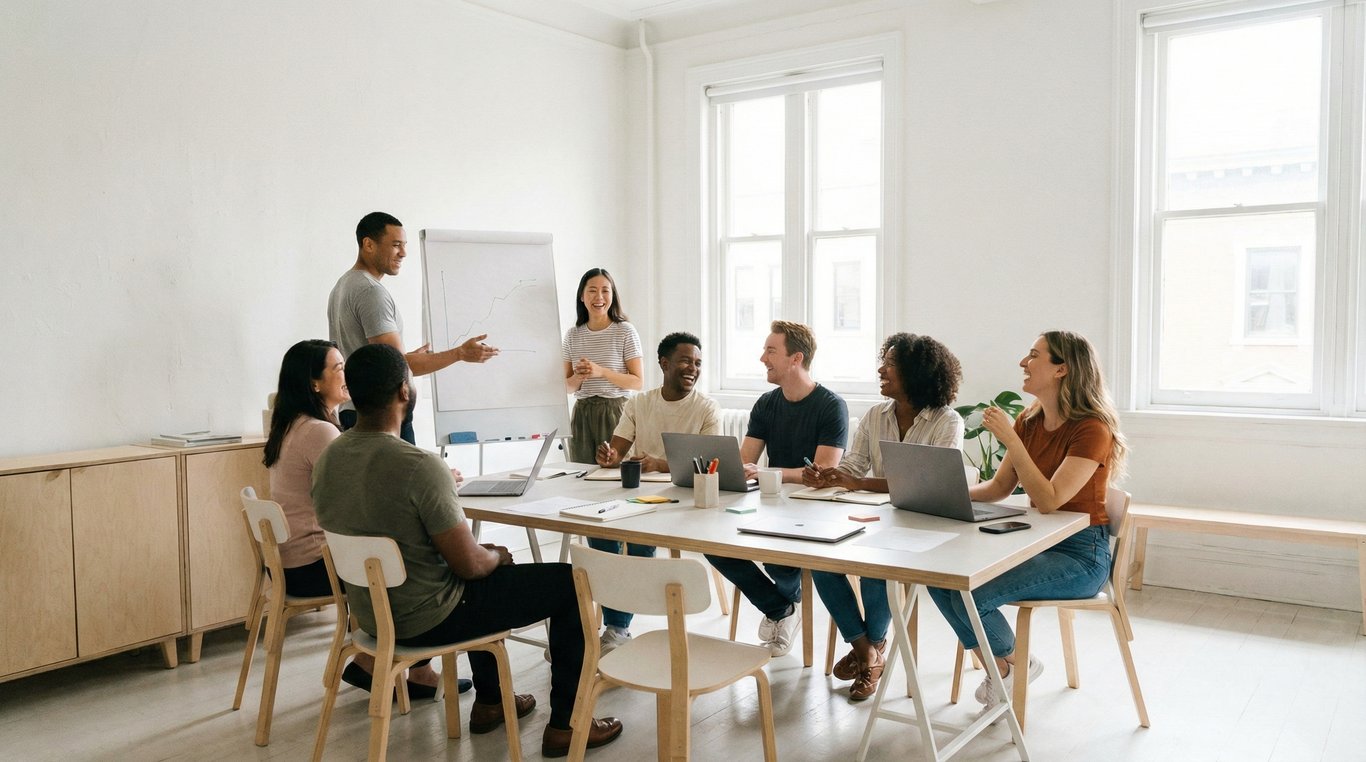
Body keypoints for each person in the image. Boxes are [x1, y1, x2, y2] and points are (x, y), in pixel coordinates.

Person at [312, 344, 623, 757]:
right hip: (430, 616)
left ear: (353, 392)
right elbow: (471, 566)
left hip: (372, 616)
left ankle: (492, 703)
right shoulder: (419, 465)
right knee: (569, 583)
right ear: (404, 391)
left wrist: (481, 556)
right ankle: (568, 725)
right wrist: (495, 555)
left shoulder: (329, 457)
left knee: (479, 576)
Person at [927, 331, 1126, 712]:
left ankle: (1013, 666)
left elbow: (1050, 501)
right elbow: (1000, 487)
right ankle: (1006, 668)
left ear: (1062, 370)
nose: (1023, 362)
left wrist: (1010, 441)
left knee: (976, 595)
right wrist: (940, 493)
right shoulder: (1030, 420)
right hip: (1037, 542)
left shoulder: (1092, 429)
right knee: (941, 581)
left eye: (1034, 355)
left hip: (1082, 556)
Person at [263, 339, 470, 698]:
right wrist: (431, 477)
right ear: (314, 383)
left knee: (400, 550)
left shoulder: (294, 425)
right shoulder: (320, 432)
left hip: (291, 561)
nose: (347, 375)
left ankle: (384, 665)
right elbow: (368, 485)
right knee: (415, 559)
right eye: (338, 367)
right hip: (317, 564)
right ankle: (378, 664)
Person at [803, 333, 965, 701]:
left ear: (915, 372)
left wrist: (857, 481)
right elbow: (853, 465)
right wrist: (826, 475)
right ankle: (868, 652)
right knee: (819, 559)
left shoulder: (947, 421)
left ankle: (867, 650)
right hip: (875, 519)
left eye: (890, 364)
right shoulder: (876, 415)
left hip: (925, 527)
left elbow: (931, 484)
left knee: (877, 564)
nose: (881, 369)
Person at [705, 321, 848, 656]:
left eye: (771, 351)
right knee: (712, 542)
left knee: (780, 551)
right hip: (770, 501)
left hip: (815, 508)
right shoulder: (766, 404)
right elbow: (745, 463)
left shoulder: (831, 406)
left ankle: (784, 606)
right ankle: (781, 608)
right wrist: (744, 472)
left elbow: (822, 472)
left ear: (795, 358)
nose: (762, 358)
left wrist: (769, 473)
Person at [590, 332, 720, 653]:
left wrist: (658, 464)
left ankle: (617, 628)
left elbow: (710, 465)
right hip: (639, 496)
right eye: (686, 360)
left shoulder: (707, 408)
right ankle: (614, 621)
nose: (693, 368)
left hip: (684, 498)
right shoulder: (639, 402)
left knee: (638, 535)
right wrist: (610, 456)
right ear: (664, 363)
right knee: (598, 529)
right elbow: (617, 451)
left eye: (698, 363)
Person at [328, 211, 499, 445]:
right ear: (368, 244)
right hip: (382, 416)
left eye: (405, 245)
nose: (404, 253)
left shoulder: (342, 286)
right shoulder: (370, 292)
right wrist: (460, 353)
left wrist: (406, 358)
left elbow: (377, 359)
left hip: (355, 411)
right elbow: (394, 368)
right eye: (396, 245)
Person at [563, 268, 642, 464]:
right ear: (582, 296)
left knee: (615, 475)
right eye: (592, 290)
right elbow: (567, 386)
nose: (599, 297)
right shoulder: (573, 335)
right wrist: (578, 377)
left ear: (613, 295)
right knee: (581, 475)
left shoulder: (624, 331)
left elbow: (638, 382)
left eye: (605, 290)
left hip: (615, 411)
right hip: (582, 413)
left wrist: (602, 372)